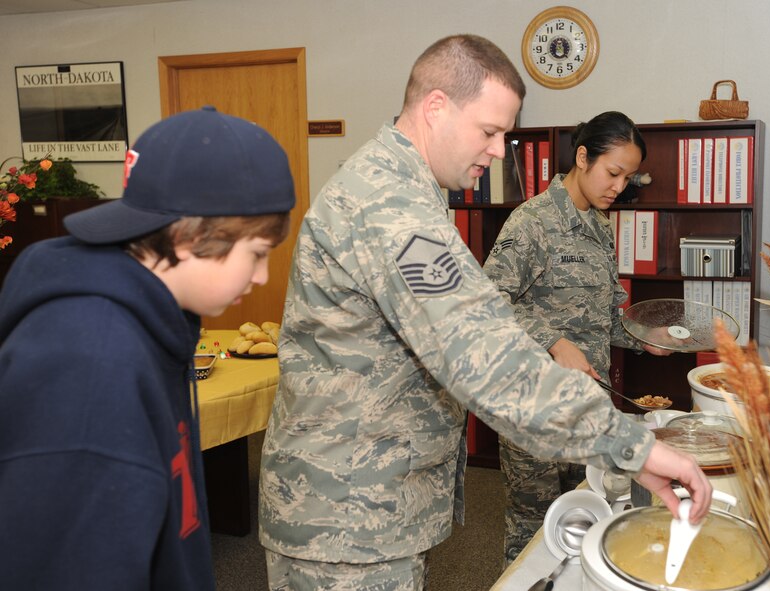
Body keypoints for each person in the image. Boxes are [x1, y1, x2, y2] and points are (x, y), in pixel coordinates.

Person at [258, 35, 711, 590]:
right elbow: (484, 354)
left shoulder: (405, 192)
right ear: (436, 107)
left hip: (367, 506)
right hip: (347, 515)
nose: (500, 151)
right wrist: (631, 447)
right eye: (490, 131)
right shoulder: (391, 208)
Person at [0, 106, 295, 590]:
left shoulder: (154, 318)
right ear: (188, 237)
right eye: (257, 254)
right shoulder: (88, 363)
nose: (262, 276)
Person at [483, 110, 673, 565]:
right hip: (534, 408)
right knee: (532, 537)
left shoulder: (598, 227)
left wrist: (643, 336)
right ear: (582, 158)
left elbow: (602, 319)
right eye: (613, 172)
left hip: (586, 406)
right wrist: (553, 341)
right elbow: (486, 302)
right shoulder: (532, 221)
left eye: (628, 177)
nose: (619, 186)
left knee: (583, 524)